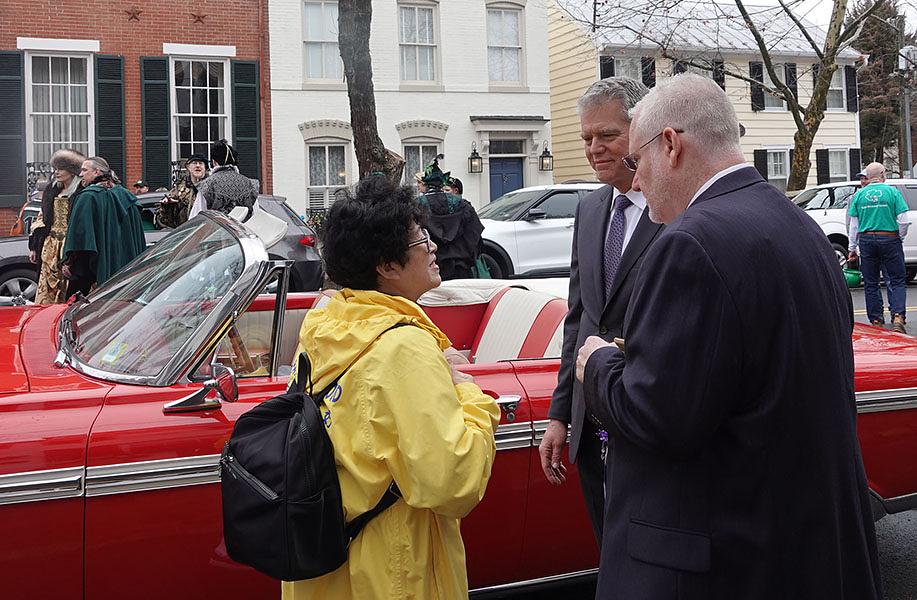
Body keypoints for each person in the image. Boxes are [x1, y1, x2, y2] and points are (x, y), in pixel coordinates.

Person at [576, 74, 880, 599]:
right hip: (801, 544)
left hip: (719, 559)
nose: (638, 182)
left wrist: (599, 365)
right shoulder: (798, 224)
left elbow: (659, 415)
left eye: (636, 161)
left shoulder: (691, 243)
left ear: (670, 145)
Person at [282, 176, 499, 599]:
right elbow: (451, 481)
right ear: (387, 266)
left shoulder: (327, 324)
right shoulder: (404, 346)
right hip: (393, 570)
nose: (434, 245)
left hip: (326, 557)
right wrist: (468, 393)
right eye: (420, 237)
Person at [537, 77, 663, 543]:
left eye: (607, 135)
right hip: (590, 429)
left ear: (642, 129)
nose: (594, 149)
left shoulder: (677, 212)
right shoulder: (591, 209)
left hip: (647, 424)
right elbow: (580, 318)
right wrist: (561, 413)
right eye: (586, 138)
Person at [63, 157, 146, 296]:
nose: (81, 174)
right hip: (126, 272)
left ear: (97, 172)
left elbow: (80, 238)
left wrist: (70, 262)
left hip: (93, 272)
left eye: (84, 170)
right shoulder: (126, 195)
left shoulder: (87, 197)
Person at [848, 161, 910, 333]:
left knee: (871, 282)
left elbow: (854, 225)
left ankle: (876, 320)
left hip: (866, 240)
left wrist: (852, 247)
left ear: (868, 176)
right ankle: (898, 316)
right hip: (889, 238)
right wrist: (899, 236)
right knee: (896, 279)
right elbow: (904, 220)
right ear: (882, 174)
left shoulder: (859, 195)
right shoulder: (892, 192)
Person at [28, 149, 86, 304]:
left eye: (61, 169)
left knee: (70, 286)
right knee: (47, 286)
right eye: (55, 169)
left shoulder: (82, 192)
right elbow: (41, 219)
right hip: (50, 245)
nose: (56, 172)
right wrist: (34, 246)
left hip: (70, 244)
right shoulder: (51, 190)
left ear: (72, 171)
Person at [417, 158, 485, 280]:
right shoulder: (463, 205)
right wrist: (467, 256)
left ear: (426, 184)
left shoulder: (417, 206)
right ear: (442, 183)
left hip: (429, 268)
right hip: (461, 266)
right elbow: (475, 234)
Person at [190, 139, 258, 218]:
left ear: (214, 162)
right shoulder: (250, 184)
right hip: (243, 229)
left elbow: (195, 218)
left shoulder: (207, 185)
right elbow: (256, 217)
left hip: (216, 230)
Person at [154, 153, 208, 229]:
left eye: (201, 163)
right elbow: (164, 221)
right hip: (185, 232)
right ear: (188, 167)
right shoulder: (179, 190)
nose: (198, 165)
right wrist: (167, 207)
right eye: (194, 163)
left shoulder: (211, 187)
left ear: (205, 168)